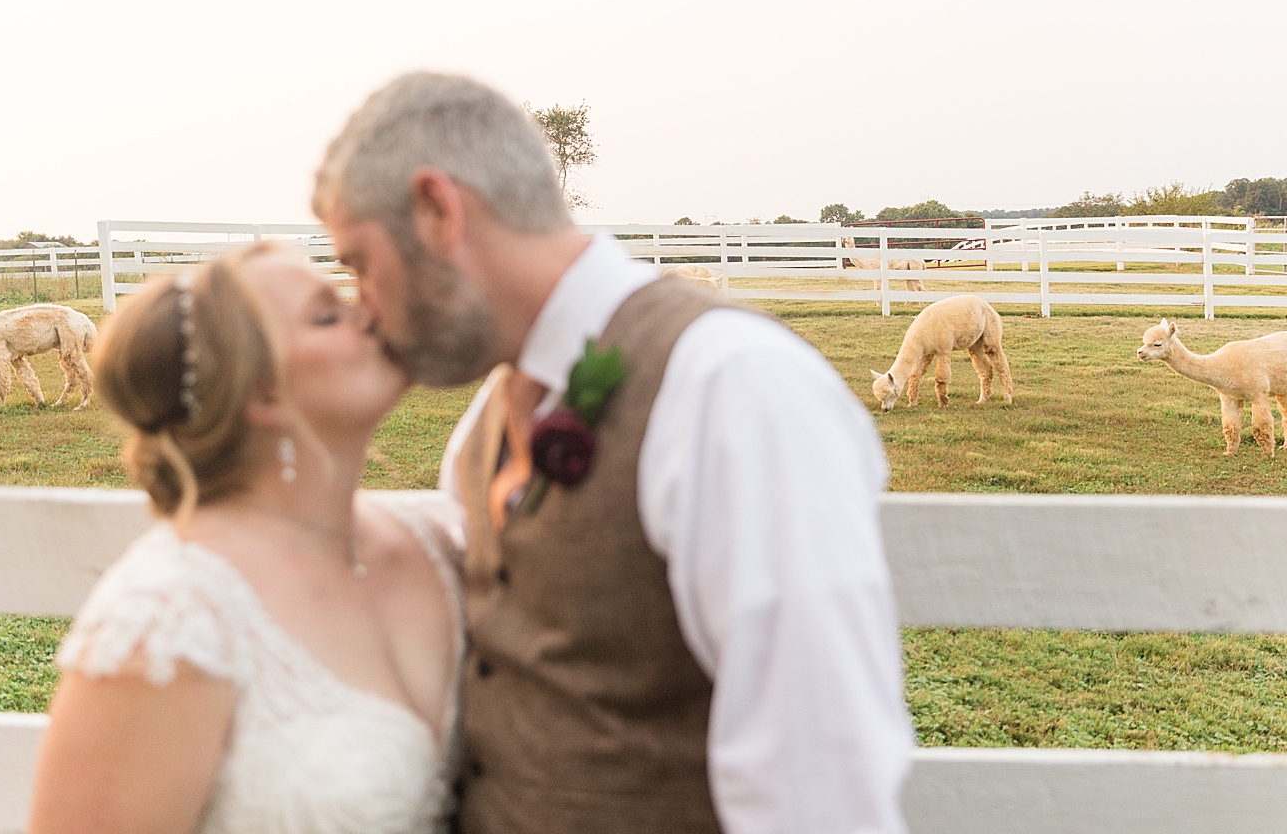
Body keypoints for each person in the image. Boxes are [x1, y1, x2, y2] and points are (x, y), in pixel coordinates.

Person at [314, 72, 913, 834]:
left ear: (437, 211)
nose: (361, 303)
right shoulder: (485, 421)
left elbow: (819, 784)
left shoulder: (729, 385)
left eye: (360, 262)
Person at [28, 244, 464, 834]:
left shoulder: (434, 544)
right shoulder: (166, 623)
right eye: (328, 314)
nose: (370, 311)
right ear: (264, 394)